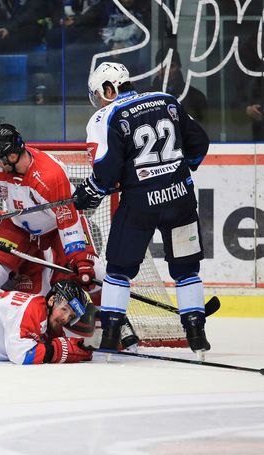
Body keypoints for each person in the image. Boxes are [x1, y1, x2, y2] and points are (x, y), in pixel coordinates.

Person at [72, 61, 210, 357]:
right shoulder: (167, 100)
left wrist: (91, 191)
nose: (98, 100)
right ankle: (197, 334)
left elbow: (107, 174)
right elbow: (199, 143)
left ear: (109, 88)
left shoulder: (105, 116)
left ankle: (110, 337)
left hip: (140, 205)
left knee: (119, 270)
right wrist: (180, 171)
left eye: (99, 93)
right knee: (186, 269)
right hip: (180, 199)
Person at [0, 123, 100, 297]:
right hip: (18, 227)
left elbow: (68, 221)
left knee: (95, 277)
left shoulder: (51, 176)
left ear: (13, 156)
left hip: (56, 229)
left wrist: (79, 257)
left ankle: (106, 320)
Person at [150, 48, 208, 123]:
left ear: (179, 67)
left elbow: (204, 128)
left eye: (171, 66)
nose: (166, 71)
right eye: (162, 66)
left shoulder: (196, 97)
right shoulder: (146, 96)